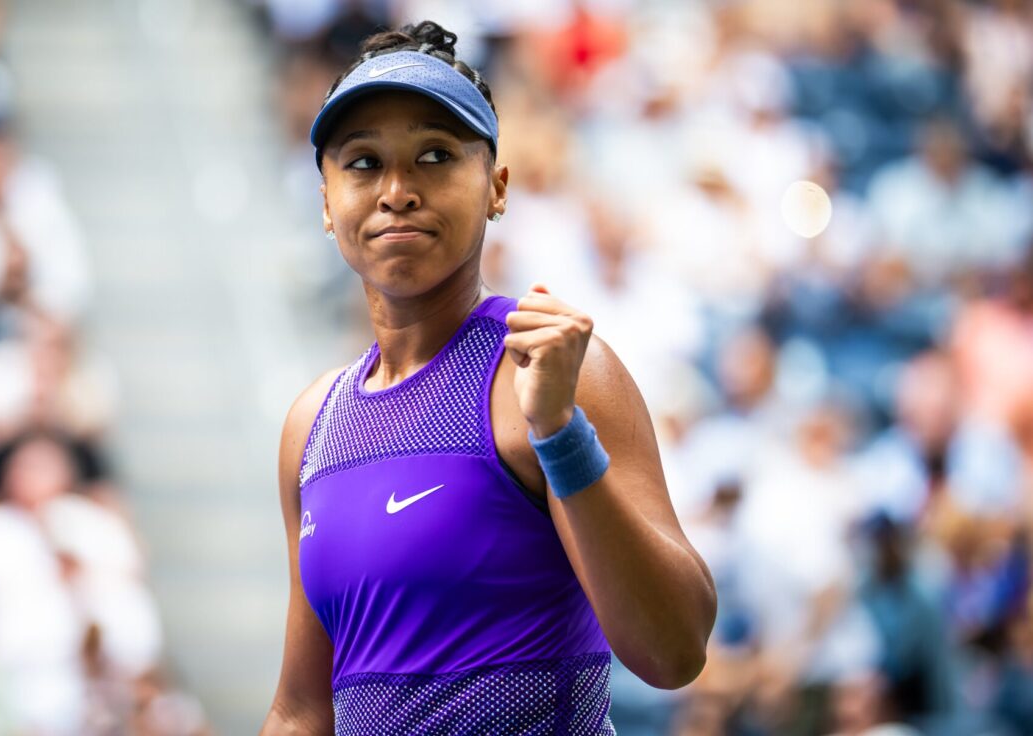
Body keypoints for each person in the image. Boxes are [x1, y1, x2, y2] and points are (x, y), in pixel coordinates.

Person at [261, 21, 716, 735]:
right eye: (362, 163)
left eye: (435, 156)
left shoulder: (554, 374)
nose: (397, 191)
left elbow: (674, 653)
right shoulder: (310, 426)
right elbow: (300, 711)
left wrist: (560, 433)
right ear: (325, 202)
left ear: (497, 187)